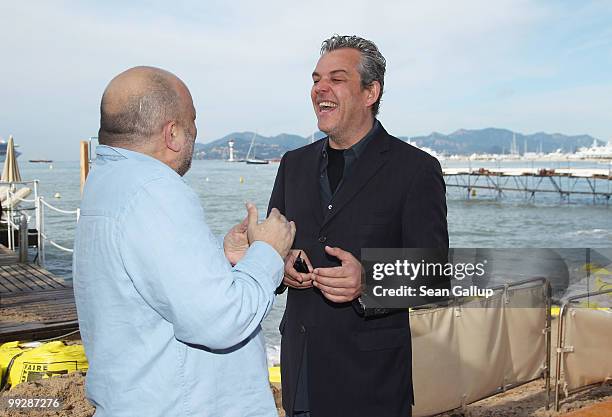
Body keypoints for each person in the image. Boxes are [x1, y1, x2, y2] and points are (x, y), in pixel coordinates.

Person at [73, 66, 295, 417]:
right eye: (193, 121)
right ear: (173, 133)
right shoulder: (155, 191)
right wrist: (268, 252)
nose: (196, 132)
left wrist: (224, 260)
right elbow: (222, 320)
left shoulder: (107, 184)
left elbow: (151, 290)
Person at [268, 35, 449, 417]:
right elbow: (273, 244)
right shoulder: (292, 164)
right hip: (300, 373)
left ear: (370, 92)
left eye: (336, 78)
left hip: (372, 384)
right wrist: (280, 266)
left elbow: (435, 276)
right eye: (316, 79)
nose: (320, 88)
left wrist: (368, 281)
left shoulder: (416, 170)